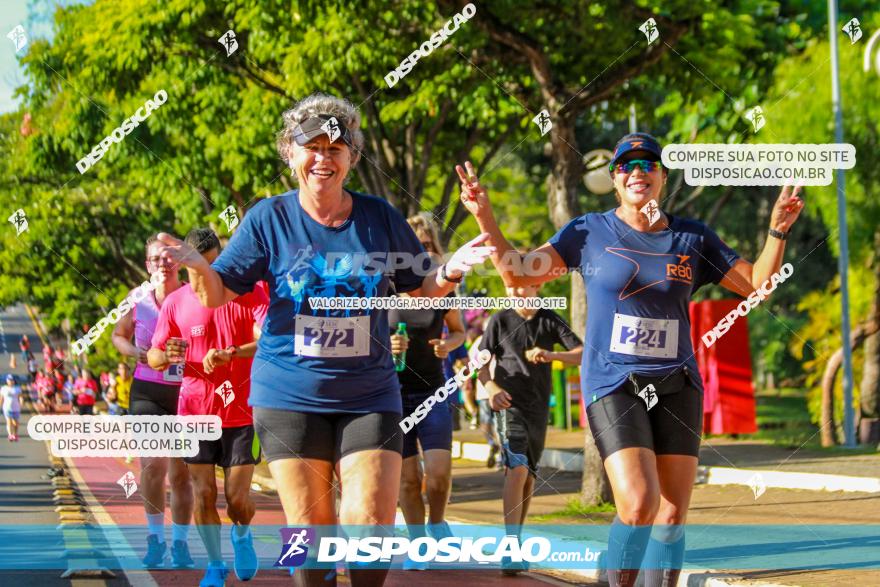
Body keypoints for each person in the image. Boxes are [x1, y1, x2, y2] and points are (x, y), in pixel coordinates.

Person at [153, 92, 493, 587]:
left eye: (335, 148)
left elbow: (422, 288)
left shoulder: (378, 218)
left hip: (369, 394)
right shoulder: (268, 219)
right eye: (310, 146)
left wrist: (453, 269)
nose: (323, 157)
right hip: (289, 394)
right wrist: (202, 267)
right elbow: (217, 293)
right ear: (289, 154)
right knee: (310, 538)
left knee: (370, 525)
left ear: (352, 157)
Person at [459, 132, 805, 586]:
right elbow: (520, 271)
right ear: (614, 179)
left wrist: (777, 229)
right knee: (640, 503)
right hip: (613, 383)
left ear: (662, 176)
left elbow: (756, 285)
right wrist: (485, 215)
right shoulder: (587, 233)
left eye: (648, 165)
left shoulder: (691, 238)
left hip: (677, 383)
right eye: (626, 166)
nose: (637, 172)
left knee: (671, 515)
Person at [149, 228, 268, 587]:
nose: (209, 273)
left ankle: (242, 534)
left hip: (243, 411)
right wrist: (164, 355)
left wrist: (233, 353)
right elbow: (155, 353)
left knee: (236, 500)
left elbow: (268, 341)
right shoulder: (175, 302)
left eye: (215, 264)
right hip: (195, 412)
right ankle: (215, 565)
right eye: (200, 266)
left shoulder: (250, 292)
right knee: (203, 493)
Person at [476, 285, 583, 575]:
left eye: (531, 285)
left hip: (538, 408)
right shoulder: (500, 320)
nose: (524, 291)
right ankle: (510, 547)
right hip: (508, 403)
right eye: (516, 286)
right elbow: (481, 363)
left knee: (529, 476)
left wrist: (551, 355)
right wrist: (491, 387)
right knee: (518, 468)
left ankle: (516, 543)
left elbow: (581, 353)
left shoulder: (550, 318)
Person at [388, 213, 466, 571]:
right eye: (414, 247)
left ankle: (437, 522)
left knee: (438, 474)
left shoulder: (443, 292)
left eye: (428, 246)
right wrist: (387, 344)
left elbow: (459, 332)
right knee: (407, 479)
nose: (422, 252)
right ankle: (418, 543)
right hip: (394, 395)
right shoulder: (386, 290)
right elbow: (365, 336)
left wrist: (448, 346)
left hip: (433, 392)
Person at [111, 235, 194, 569]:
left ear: (178, 261)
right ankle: (156, 540)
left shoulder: (194, 295)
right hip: (147, 390)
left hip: (186, 391)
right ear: (148, 265)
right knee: (153, 465)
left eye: (168, 257)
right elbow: (118, 335)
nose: (163, 263)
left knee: (181, 475)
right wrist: (138, 353)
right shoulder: (137, 298)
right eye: (155, 259)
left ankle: (182, 544)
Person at [1, 375, 23, 441]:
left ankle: (15, 434)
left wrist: (21, 403)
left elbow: (20, 397)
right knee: (9, 421)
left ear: (14, 381)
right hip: (7, 408)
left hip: (16, 408)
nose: (10, 381)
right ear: (7, 381)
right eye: (9, 380)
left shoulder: (17, 388)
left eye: (11, 380)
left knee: (15, 423)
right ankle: (10, 435)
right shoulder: (4, 388)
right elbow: (1, 398)